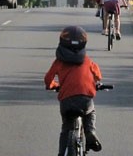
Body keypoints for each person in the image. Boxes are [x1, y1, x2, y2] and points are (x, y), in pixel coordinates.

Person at [44, 26, 103, 155]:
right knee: (91, 112)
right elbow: (98, 75)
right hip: (85, 99)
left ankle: (61, 153)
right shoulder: (87, 60)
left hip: (67, 100)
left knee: (66, 128)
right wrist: (97, 82)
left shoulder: (59, 61)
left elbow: (48, 79)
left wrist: (52, 85)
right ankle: (90, 131)